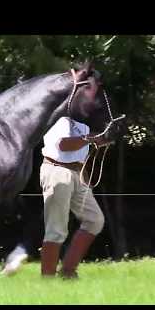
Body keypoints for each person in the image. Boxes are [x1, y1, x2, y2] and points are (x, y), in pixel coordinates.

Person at [39, 115, 111, 278]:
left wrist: (99, 140)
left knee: (95, 220)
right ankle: (48, 279)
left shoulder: (83, 123)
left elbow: (79, 151)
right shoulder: (60, 118)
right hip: (57, 170)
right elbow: (63, 145)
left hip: (77, 173)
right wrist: (91, 138)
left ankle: (67, 271)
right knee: (56, 229)